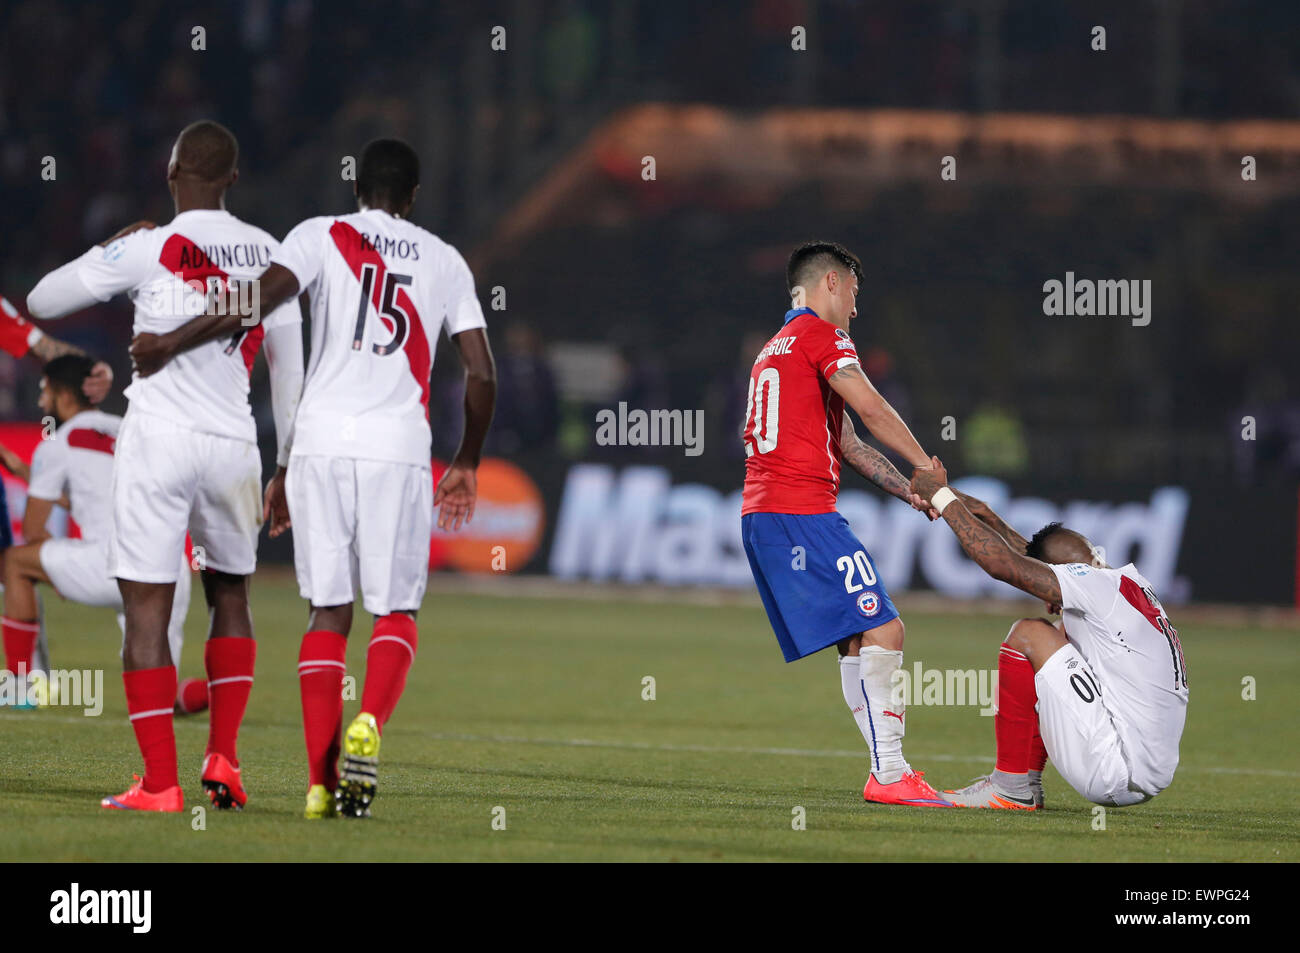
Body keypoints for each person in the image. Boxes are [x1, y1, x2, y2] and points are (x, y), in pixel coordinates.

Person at [130, 138, 496, 820]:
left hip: (320, 442)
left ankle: (320, 783)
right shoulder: (446, 260)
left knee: (327, 610)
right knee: (397, 609)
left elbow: (251, 304)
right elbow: (481, 373)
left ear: (355, 184)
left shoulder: (318, 236)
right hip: (396, 444)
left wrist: (171, 341)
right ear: (413, 196)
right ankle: (371, 726)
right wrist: (467, 460)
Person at [26, 120, 304, 813]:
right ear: (233, 179)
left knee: (145, 605)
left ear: (171, 173)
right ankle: (226, 761)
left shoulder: (149, 247)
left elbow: (40, 301)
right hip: (234, 443)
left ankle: (159, 783)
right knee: (231, 597)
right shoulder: (274, 253)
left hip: (156, 440)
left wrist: (118, 243)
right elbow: (289, 374)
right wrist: (286, 467)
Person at [740, 240, 951, 807]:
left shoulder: (773, 348)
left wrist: (906, 490)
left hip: (764, 517)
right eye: (854, 292)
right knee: (887, 629)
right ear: (830, 283)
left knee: (858, 642)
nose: (856, 308)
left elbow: (848, 443)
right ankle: (890, 775)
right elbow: (873, 409)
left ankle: (890, 769)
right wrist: (926, 467)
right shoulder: (822, 335)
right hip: (799, 512)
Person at [910, 462, 1189, 809]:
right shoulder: (1123, 583)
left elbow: (1003, 565)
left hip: (1115, 769)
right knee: (1059, 639)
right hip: (1140, 767)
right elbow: (1033, 559)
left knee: (1028, 634)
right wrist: (966, 504)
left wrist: (939, 495)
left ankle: (1009, 787)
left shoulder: (1092, 585)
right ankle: (1025, 785)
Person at [0, 355, 200, 711]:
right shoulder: (126, 427)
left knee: (15, 562)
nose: (41, 402)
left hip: (111, 566)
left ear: (63, 396)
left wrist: (58, 572)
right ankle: (225, 687)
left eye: (45, 391)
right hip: (170, 567)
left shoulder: (56, 443)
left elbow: (32, 530)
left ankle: (19, 686)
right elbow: (94, 492)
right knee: (159, 698)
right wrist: (20, 469)